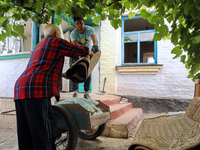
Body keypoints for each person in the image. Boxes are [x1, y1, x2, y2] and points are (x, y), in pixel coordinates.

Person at [14, 24, 93, 150]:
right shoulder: (56, 42)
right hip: (36, 89)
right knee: (43, 133)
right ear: (57, 34)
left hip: (20, 88)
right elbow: (75, 50)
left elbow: (42, 67)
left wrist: (64, 75)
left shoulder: (38, 46)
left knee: (26, 133)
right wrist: (88, 52)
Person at [69, 17, 99, 99]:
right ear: (75, 25)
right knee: (75, 72)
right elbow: (75, 46)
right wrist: (83, 52)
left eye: (81, 23)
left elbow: (95, 40)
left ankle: (86, 93)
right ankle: (75, 92)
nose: (79, 25)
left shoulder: (90, 29)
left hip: (88, 54)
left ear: (84, 23)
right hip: (77, 53)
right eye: (77, 24)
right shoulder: (73, 33)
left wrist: (94, 49)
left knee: (87, 72)